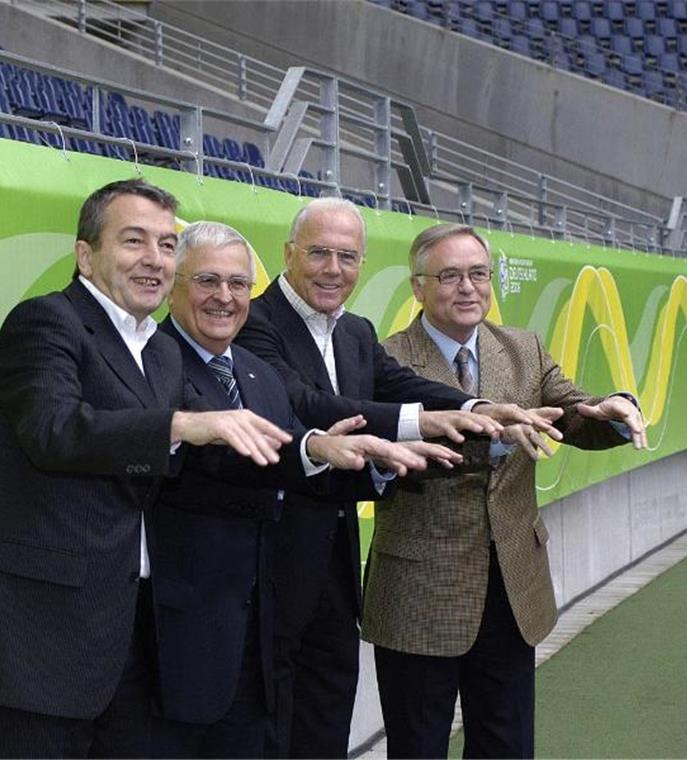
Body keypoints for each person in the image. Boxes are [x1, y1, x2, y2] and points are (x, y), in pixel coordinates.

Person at [0, 180, 293, 759]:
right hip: (37, 646)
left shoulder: (157, 348)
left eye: (164, 245)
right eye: (134, 241)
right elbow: (54, 431)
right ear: (86, 254)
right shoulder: (44, 323)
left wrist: (314, 449)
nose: (154, 259)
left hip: (127, 645)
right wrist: (177, 427)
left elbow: (219, 432)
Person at [235, 198, 555, 758]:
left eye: (348, 256)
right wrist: (426, 422)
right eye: (319, 253)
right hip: (267, 567)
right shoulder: (253, 322)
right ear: (287, 255)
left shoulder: (354, 331)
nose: (334, 269)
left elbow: (404, 385)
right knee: (268, 730)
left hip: (335, 571)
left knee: (325, 722)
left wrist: (477, 407)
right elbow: (307, 402)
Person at [150, 221, 461, 759]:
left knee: (313, 726)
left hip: (295, 588)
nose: (224, 298)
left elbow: (297, 443)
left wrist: (391, 455)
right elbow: (259, 445)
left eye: (236, 285)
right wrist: (332, 446)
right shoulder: (159, 360)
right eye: (206, 281)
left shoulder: (260, 366)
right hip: (199, 615)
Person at [363, 222, 647, 759]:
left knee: (506, 745)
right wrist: (493, 439)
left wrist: (611, 408)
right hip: (422, 591)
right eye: (449, 275)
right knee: (417, 745)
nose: (468, 288)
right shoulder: (385, 359)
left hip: (512, 587)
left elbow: (572, 412)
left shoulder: (521, 348)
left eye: (478, 274)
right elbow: (395, 456)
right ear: (417, 287)